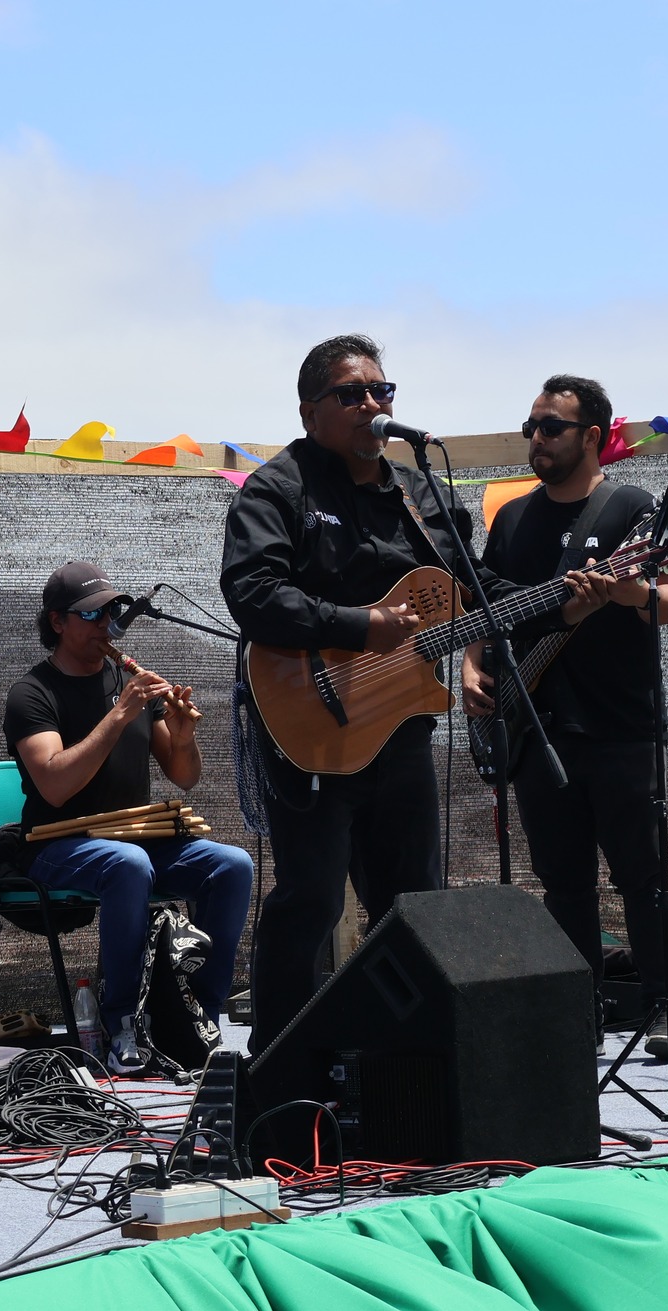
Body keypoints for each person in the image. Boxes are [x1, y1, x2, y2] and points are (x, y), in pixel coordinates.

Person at [218, 334, 530, 1056]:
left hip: (400, 729)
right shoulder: (279, 489)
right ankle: (280, 1067)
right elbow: (253, 594)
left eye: (381, 391)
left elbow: (476, 589)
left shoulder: (422, 494)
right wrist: (359, 626)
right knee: (312, 898)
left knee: (413, 903)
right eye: (351, 393)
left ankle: (406, 1066)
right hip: (309, 726)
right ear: (310, 412)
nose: (371, 404)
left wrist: (565, 595)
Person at [464, 375, 668, 1056]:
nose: (536, 438)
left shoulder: (634, 510)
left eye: (551, 427)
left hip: (620, 725)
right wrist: (471, 667)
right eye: (530, 426)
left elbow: (667, 603)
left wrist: (624, 592)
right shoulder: (511, 518)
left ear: (591, 436)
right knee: (563, 885)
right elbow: (484, 606)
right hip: (535, 726)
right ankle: (578, 1019)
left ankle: (665, 1011)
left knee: (642, 878)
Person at [3, 561, 254, 1074]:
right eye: (91, 614)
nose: (106, 624)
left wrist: (183, 735)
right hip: (56, 845)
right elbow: (54, 785)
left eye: (111, 612)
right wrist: (120, 713)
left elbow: (184, 776)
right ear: (57, 622)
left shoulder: (128, 680)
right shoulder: (32, 693)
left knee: (232, 865)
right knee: (128, 865)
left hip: (135, 838)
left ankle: (198, 1019)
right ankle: (121, 1025)